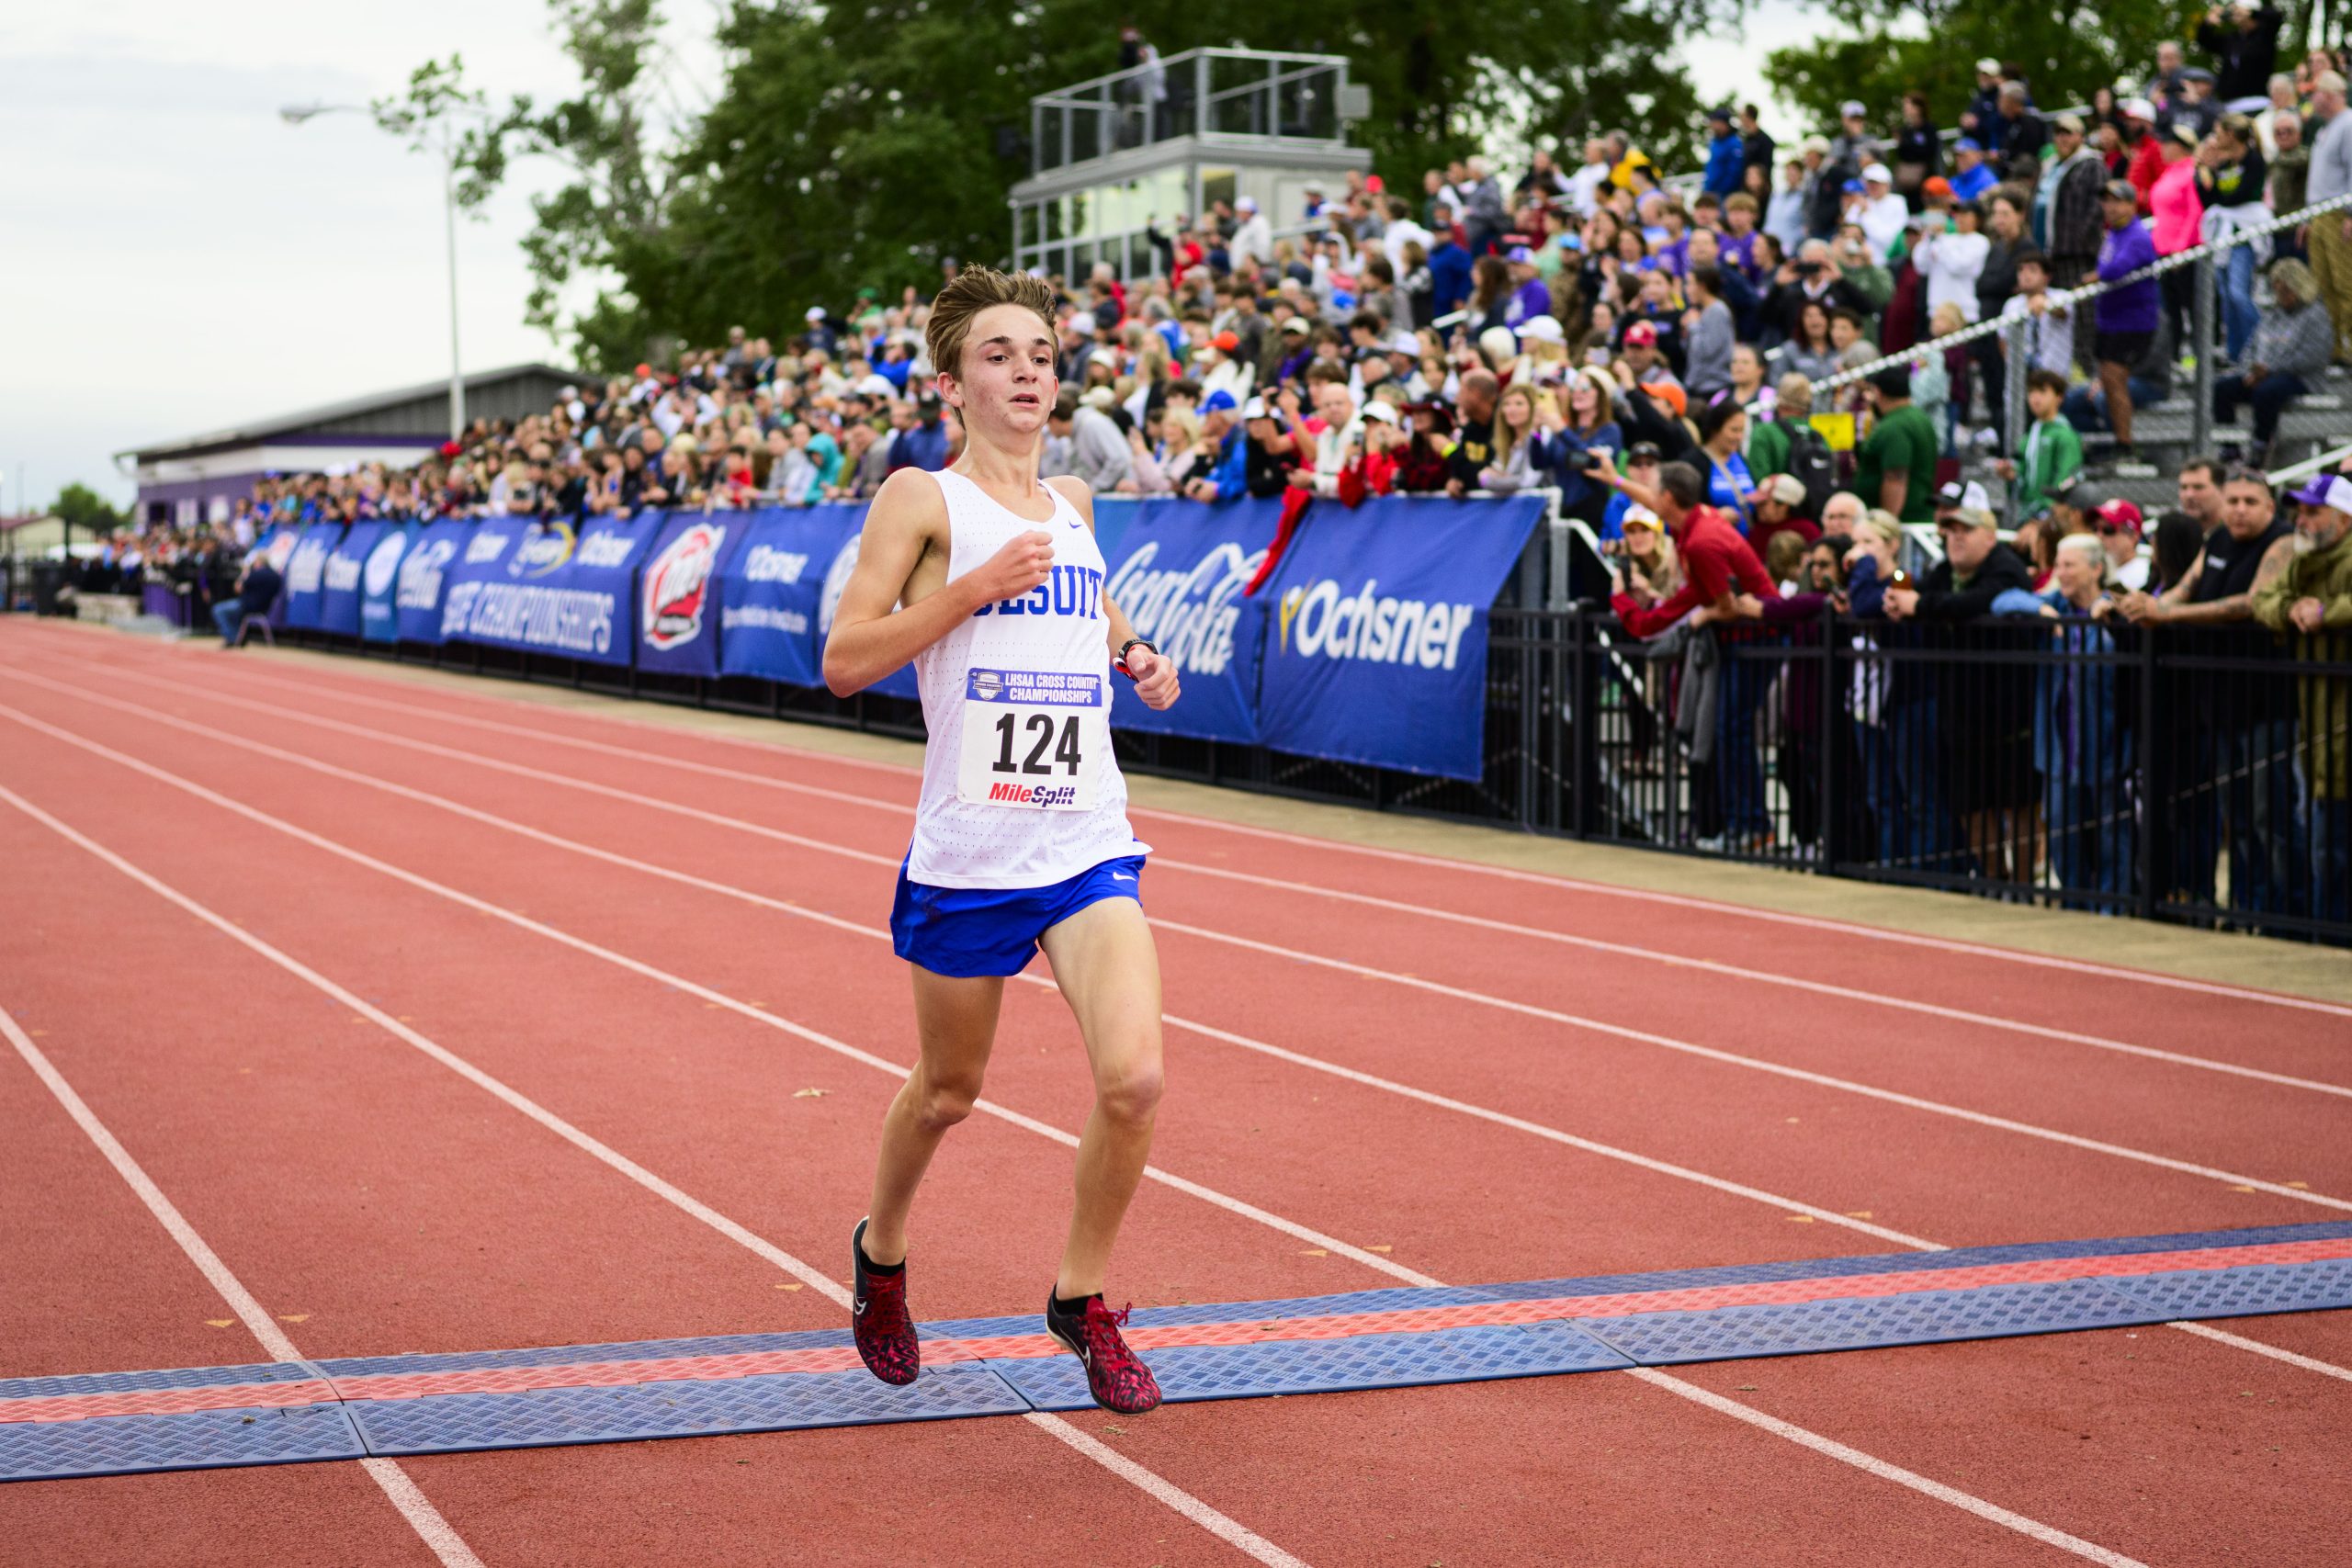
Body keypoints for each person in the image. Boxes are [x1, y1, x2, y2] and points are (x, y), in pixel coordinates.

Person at [822, 265, 1182, 1417]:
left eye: (1039, 351)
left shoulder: (1073, 500)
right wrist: (972, 588)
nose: (1026, 368)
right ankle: (881, 1259)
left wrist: (1136, 654)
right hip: (971, 856)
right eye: (998, 353)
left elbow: (1090, 601)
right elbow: (845, 661)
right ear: (953, 382)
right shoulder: (921, 502)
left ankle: (1080, 1302)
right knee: (947, 1093)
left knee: (1135, 1079)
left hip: (1085, 842)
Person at [2252, 471, 2352, 919]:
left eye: (2314, 511)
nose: (2302, 520)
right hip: (2313, 725)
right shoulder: (2300, 560)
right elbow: (2262, 599)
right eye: (2300, 511)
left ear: (2345, 519)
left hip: (2339, 719)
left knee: (2335, 844)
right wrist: (2289, 609)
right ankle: (2323, 929)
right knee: (2321, 843)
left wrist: (2327, 612)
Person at [2216, 257, 2332, 459]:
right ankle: (2229, 447)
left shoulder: (2316, 315)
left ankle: (2261, 444)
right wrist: (2249, 371)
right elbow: (2251, 347)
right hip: (2264, 375)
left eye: (2286, 291)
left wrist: (2269, 370)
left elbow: (2312, 357)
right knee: (2222, 388)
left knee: (2267, 391)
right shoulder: (2272, 315)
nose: (2281, 296)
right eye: (2277, 290)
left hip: (2300, 378)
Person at [2093, 180, 2162, 454]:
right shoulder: (2114, 234)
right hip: (2111, 320)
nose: (2110, 207)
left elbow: (2113, 270)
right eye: (2106, 201)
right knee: (2108, 378)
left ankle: (2125, 442)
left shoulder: (2136, 235)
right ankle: (2119, 439)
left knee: (2114, 377)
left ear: (2132, 205)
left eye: (2117, 201)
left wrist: (2095, 276)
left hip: (2131, 322)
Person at [1851, 366, 1939, 522]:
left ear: (1877, 392)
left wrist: (1887, 523)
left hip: (1904, 523)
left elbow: (1895, 478)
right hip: (1916, 516)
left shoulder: (1895, 426)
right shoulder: (1918, 417)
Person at [1994, 369, 2084, 520]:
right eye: (2031, 391)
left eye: (2042, 392)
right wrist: (2011, 473)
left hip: (2050, 518)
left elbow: (2066, 480)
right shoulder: (2029, 436)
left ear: (2059, 397)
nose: (2035, 397)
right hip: (2028, 514)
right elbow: (2022, 472)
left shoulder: (2065, 435)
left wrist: (2045, 516)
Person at [211, 548, 282, 646]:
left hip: (246, 605)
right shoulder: (275, 576)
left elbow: (238, 588)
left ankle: (233, 638)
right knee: (233, 614)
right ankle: (239, 638)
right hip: (265, 608)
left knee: (218, 610)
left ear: (259, 562)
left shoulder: (256, 574)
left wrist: (245, 572)